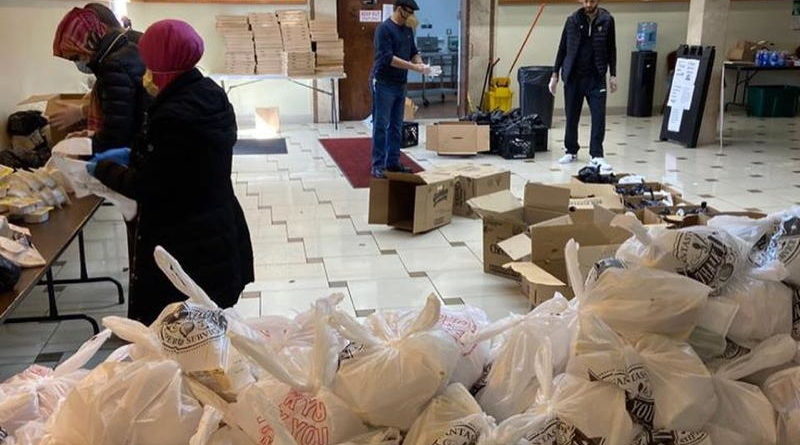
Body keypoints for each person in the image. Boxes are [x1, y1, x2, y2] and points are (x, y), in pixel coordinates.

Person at [88, 19, 254, 325]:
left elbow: (149, 186)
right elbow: (186, 166)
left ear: (159, 64)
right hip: (219, 227)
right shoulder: (209, 93)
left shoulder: (173, 115)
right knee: (210, 323)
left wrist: (104, 169)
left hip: (187, 244)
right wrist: (141, 151)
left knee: (185, 333)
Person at [52, 7, 147, 153]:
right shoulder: (119, 53)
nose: (79, 62)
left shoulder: (115, 64)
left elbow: (117, 132)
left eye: (76, 57)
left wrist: (86, 147)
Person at [549, 0, 617, 173]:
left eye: (592, 1)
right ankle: (571, 150)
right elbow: (562, 48)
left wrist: (613, 75)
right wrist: (555, 75)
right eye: (585, 0)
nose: (588, 4)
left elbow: (611, 49)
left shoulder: (607, 20)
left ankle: (596, 155)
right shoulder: (572, 20)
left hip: (596, 76)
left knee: (598, 116)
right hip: (573, 77)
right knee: (571, 115)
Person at [370, 0, 431, 179]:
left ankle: (393, 162)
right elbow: (389, 58)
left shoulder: (407, 30)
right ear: (398, 9)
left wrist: (421, 64)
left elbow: (413, 51)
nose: (409, 16)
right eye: (407, 12)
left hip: (400, 84)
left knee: (396, 126)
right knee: (381, 125)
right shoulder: (384, 29)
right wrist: (414, 68)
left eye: (412, 13)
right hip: (384, 83)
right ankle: (378, 165)